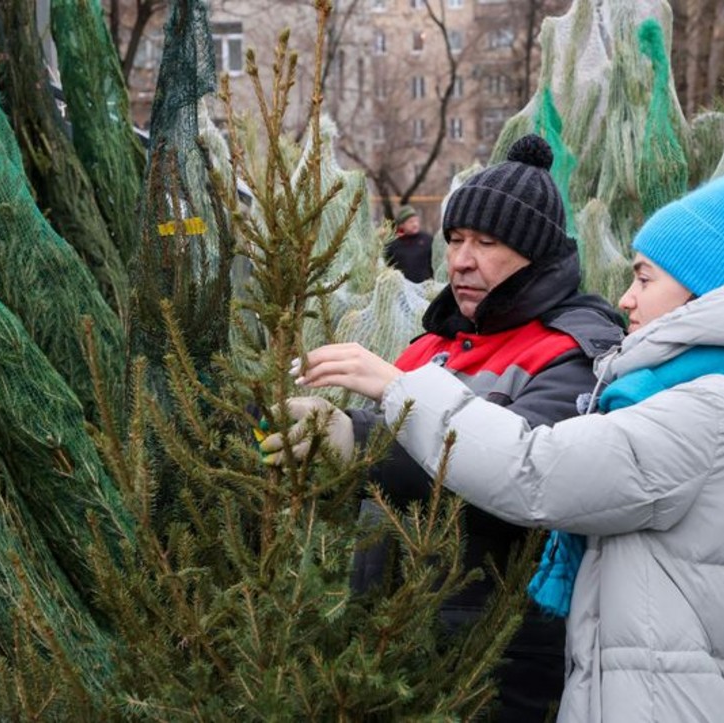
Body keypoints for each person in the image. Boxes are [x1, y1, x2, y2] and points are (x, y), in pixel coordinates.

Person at [285, 160, 724, 721]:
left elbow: (536, 472)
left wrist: (388, 404)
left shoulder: (707, 408)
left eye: (644, 278)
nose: (625, 299)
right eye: (454, 239)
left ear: (705, 291)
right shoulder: (701, 394)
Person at [264, 134, 625, 722]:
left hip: (497, 660)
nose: (460, 259)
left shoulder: (575, 351)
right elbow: (389, 457)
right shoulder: (432, 344)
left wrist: (355, 442)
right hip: (388, 640)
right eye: (456, 239)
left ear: (535, 254)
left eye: (487, 242)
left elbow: (517, 475)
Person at [384, 204, 433, 282]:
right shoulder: (392, 244)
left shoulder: (428, 240)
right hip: (402, 288)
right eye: (411, 222)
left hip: (425, 288)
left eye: (416, 221)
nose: (415, 224)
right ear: (401, 225)